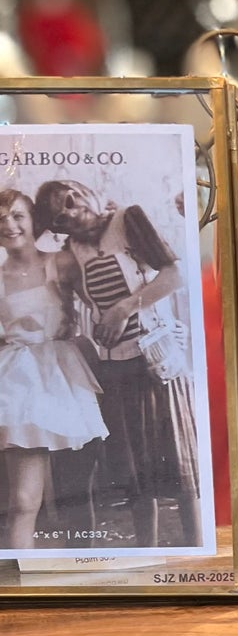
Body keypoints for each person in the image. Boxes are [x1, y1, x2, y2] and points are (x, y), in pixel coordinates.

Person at [34, 177, 201, 549]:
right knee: (136, 476)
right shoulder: (74, 250)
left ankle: (196, 549)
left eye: (71, 201)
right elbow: (81, 306)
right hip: (115, 367)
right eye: (60, 218)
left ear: (81, 192)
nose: (71, 214)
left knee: (180, 470)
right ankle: (146, 555)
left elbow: (174, 274)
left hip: (155, 361)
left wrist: (124, 309)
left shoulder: (129, 219)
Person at [0, 187, 107, 551]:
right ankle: (20, 576)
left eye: (17, 216)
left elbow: (99, 304)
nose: (9, 225)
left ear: (33, 220)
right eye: (1, 219)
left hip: (66, 379)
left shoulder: (60, 262)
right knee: (23, 501)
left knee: (78, 494)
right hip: (17, 382)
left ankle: (86, 570)